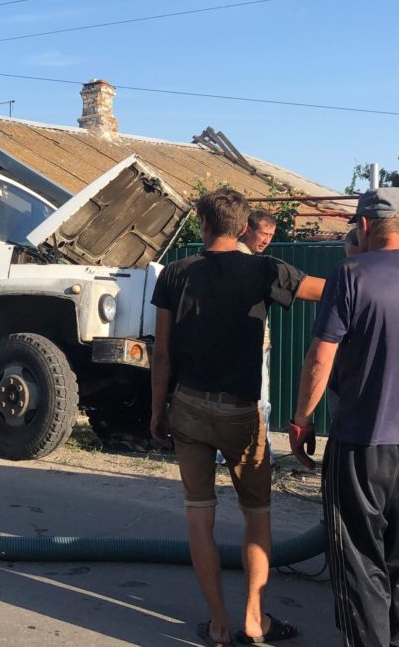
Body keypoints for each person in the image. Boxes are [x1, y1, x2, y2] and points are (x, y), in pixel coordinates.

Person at [150, 188, 324, 646]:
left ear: (204, 225)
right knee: (257, 515)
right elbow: (327, 292)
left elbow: (161, 354)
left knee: (199, 517)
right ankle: (254, 618)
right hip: (241, 413)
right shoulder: (265, 269)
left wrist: (157, 410)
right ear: (243, 227)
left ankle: (219, 625)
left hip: (187, 406)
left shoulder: (173, 274)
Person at [289, 187, 399, 647]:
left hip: (362, 445)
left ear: (366, 225)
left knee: (359, 565)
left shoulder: (350, 273)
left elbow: (320, 358)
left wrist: (301, 421)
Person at [236, 210, 278, 460]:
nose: (267, 240)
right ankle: (261, 452)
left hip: (259, 342)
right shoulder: (244, 261)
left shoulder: (251, 258)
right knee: (259, 400)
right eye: (264, 233)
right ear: (247, 230)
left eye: (271, 236)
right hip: (249, 344)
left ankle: (256, 450)